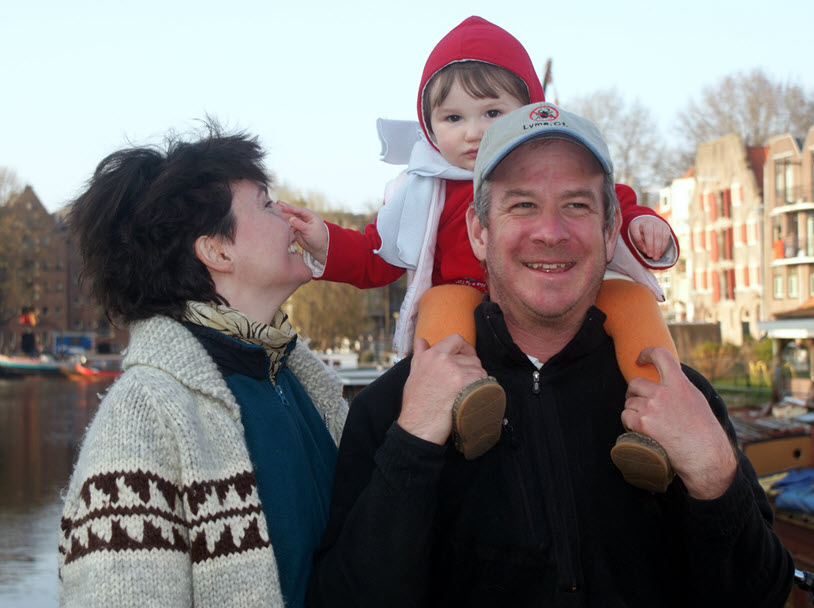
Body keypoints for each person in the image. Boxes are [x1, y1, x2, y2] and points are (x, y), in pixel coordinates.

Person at [306, 102, 793, 607]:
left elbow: (762, 595)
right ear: (478, 230)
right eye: (522, 205)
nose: (551, 232)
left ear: (610, 233)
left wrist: (715, 473)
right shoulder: (392, 410)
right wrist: (412, 446)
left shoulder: (680, 400)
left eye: (577, 205)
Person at [285, 17, 681, 481]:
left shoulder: (556, 165)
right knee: (442, 300)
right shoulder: (422, 191)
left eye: (492, 114)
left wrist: (645, 227)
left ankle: (660, 413)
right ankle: (465, 403)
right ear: (429, 126)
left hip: (568, 299)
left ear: (529, 109)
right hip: (470, 304)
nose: (473, 132)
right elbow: (378, 255)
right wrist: (325, 242)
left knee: (630, 299)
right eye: (453, 118)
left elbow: (614, 205)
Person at [58, 124, 348, 607]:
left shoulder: (295, 379)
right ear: (218, 250)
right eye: (266, 203)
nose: (293, 219)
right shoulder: (142, 418)